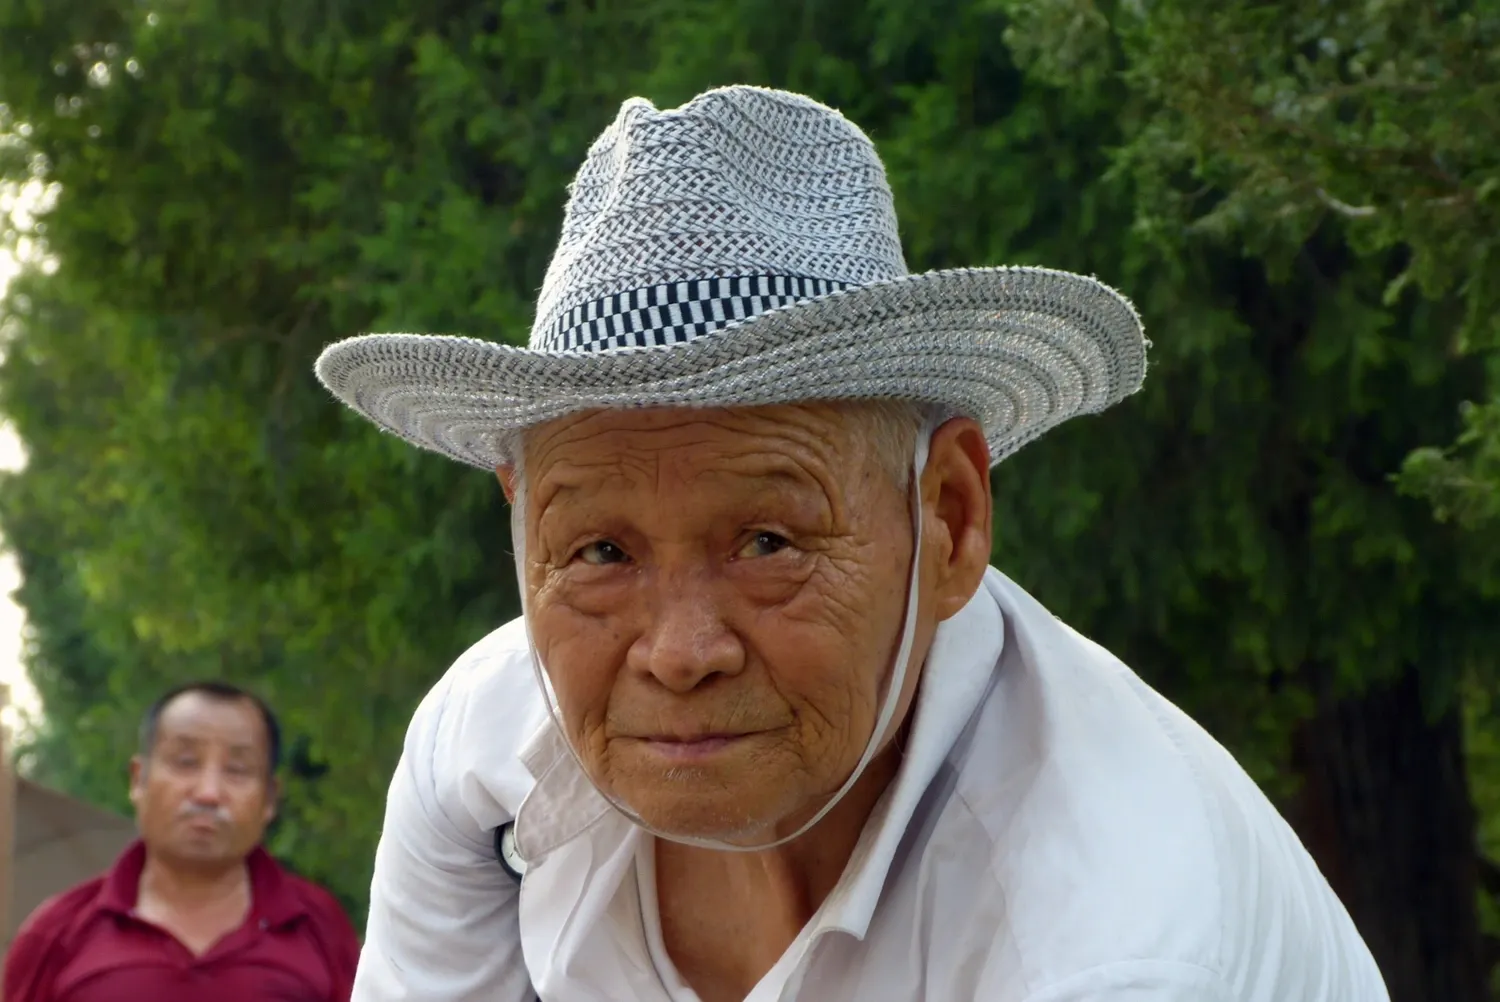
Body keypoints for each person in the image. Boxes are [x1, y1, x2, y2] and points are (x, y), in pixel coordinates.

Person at [315, 85, 1388, 1001]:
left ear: (952, 517)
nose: (681, 650)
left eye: (769, 540)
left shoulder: (1106, 935)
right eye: (600, 552)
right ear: (520, 521)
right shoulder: (482, 755)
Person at [3, 682, 361, 1001]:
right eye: (186, 762)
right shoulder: (58, 932)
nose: (208, 792)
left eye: (237, 770)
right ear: (138, 779)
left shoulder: (320, 928)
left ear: (269, 797)